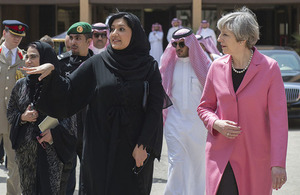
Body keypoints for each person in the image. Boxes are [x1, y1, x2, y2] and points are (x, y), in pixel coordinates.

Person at [22, 12, 170, 195]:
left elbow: (154, 110)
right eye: (113, 29)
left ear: (135, 34)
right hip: (99, 149)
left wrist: (144, 145)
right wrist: (52, 71)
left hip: (133, 149)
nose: (114, 33)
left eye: (121, 29)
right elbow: (69, 91)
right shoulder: (97, 63)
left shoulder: (149, 66)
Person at [197, 7, 288, 195]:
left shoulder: (269, 68)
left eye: (225, 35)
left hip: (255, 157)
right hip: (220, 156)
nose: (219, 39)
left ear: (242, 38)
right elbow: (204, 107)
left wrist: (278, 163)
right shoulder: (216, 67)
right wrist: (216, 123)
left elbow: (279, 120)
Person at [7, 41, 77, 195]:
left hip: (52, 154)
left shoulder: (59, 85)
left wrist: (54, 134)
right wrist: (23, 117)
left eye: (33, 57)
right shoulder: (20, 85)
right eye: (27, 56)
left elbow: (71, 121)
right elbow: (10, 113)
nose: (28, 60)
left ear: (45, 59)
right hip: (26, 156)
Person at [160, 28, 210, 195]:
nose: (178, 47)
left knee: (198, 165)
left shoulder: (205, 65)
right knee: (177, 163)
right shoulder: (168, 65)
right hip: (174, 122)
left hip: (198, 125)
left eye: (182, 44)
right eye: (175, 44)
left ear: (191, 44)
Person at [57, 22, 93, 195]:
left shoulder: (99, 64)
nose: (73, 42)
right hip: (67, 130)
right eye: (71, 38)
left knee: (89, 180)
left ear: (89, 41)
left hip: (91, 131)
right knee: (65, 181)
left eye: (78, 38)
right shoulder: (61, 64)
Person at [1, 19, 28, 195]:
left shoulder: (25, 59)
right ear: (4, 33)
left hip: (13, 119)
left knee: (15, 165)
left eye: (20, 36)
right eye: (13, 34)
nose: (17, 39)